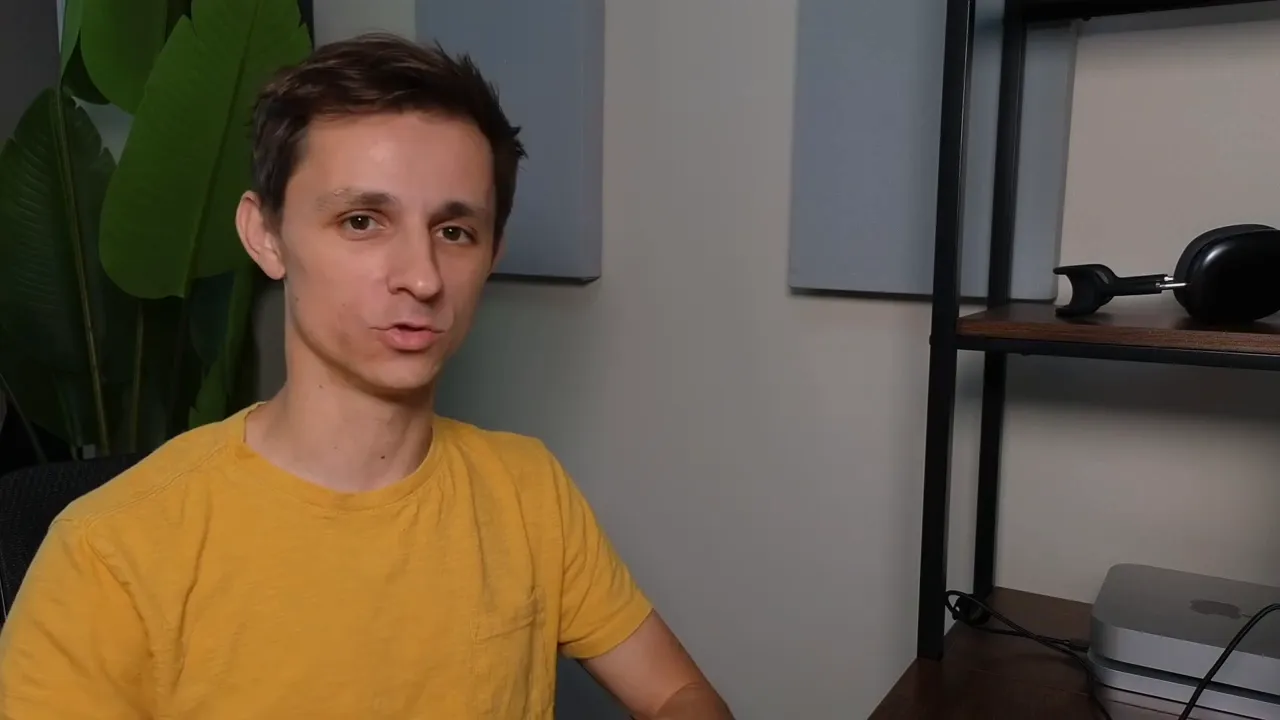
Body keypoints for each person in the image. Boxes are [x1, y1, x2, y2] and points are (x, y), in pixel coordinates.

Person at [0, 33, 731, 720]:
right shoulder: (110, 551)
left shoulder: (528, 492)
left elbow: (679, 693)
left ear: (492, 251)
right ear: (266, 235)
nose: (420, 277)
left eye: (454, 231)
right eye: (361, 222)